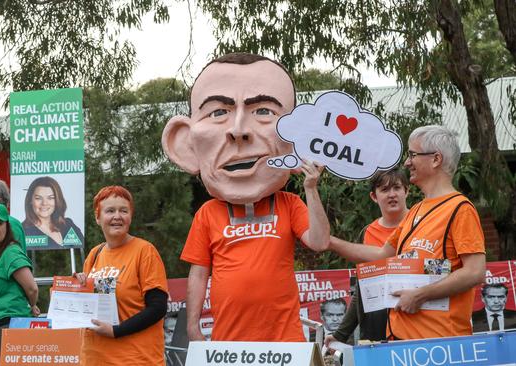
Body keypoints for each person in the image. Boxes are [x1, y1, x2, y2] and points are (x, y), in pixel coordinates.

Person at [162, 52, 330, 342]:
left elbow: (319, 241)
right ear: (185, 144)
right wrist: (191, 326)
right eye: (217, 113)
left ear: (296, 140)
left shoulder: (289, 204)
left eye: (264, 111)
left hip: (285, 342)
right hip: (229, 343)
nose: (238, 131)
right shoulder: (208, 213)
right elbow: (199, 274)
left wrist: (311, 189)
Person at [328, 125, 486, 340]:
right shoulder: (417, 210)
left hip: (439, 343)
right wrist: (328, 241)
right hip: (402, 342)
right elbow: (382, 256)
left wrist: (421, 295)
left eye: (413, 155)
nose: (407, 162)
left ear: (436, 159)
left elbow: (475, 272)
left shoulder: (460, 209)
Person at [74, 186, 168, 366]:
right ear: (97, 217)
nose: (117, 216)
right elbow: (87, 309)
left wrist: (116, 330)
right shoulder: (95, 254)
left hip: (136, 359)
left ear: (130, 216)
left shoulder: (144, 251)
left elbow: (158, 308)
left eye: (123, 211)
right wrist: (77, 287)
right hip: (95, 358)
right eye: (110, 211)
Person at [325, 168, 410, 346]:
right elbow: (362, 290)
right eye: (385, 190)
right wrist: (341, 334)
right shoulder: (367, 234)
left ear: (406, 191)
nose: (392, 195)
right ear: (374, 196)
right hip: (375, 333)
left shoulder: (423, 224)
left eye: (397, 188)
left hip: (417, 329)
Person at [0, 204, 39, 365]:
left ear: (7, 225)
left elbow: (32, 288)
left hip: (12, 324)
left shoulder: (11, 251)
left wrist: (32, 306)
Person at [22, 176, 83, 248]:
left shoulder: (68, 225)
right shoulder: (23, 231)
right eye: (38, 198)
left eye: (50, 198)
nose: (44, 203)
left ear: (57, 200)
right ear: (30, 201)